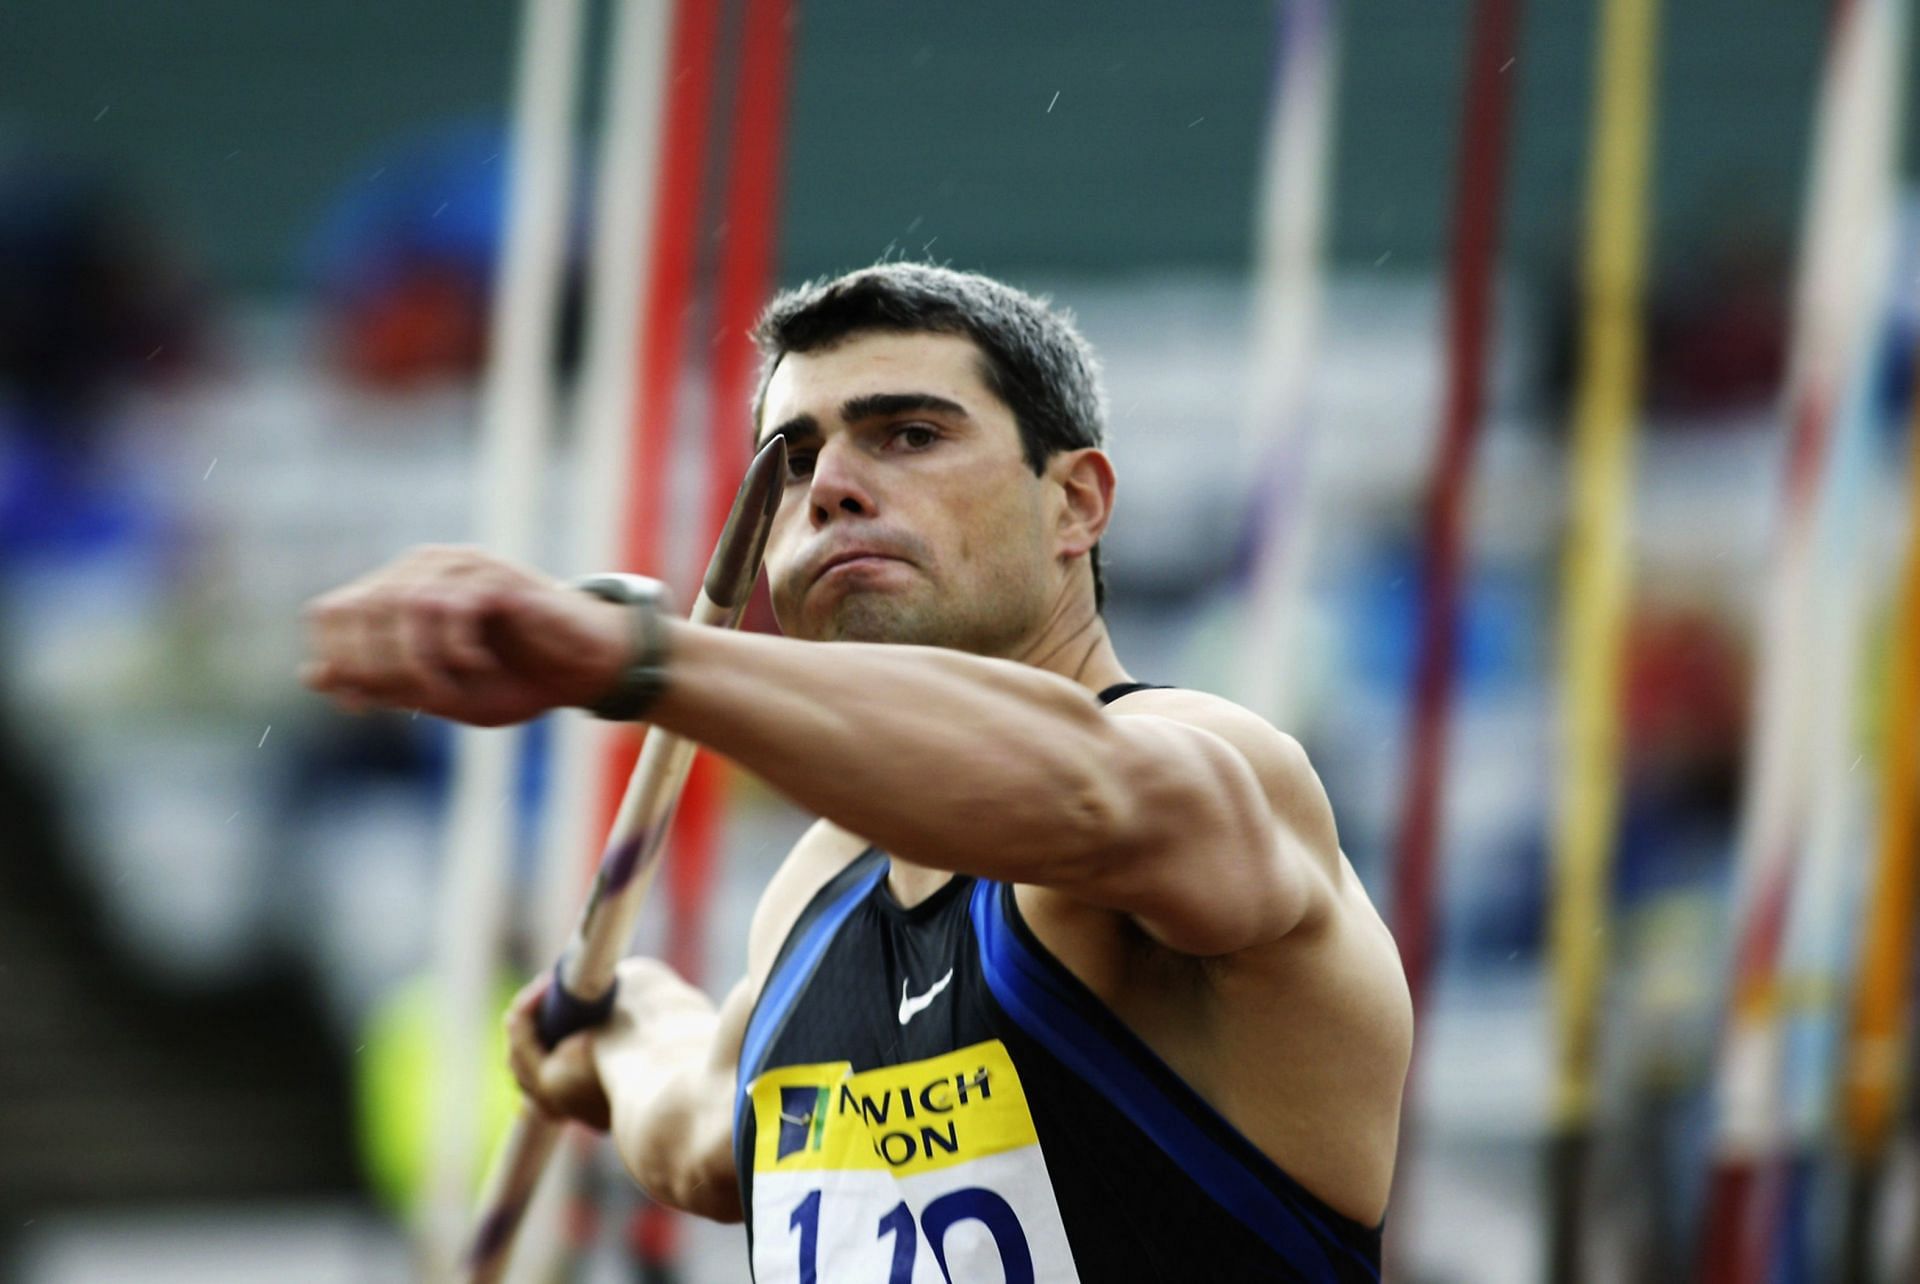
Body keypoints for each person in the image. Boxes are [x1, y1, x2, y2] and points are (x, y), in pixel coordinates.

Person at [302, 263, 1412, 1281]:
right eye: (791, 461)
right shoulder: (815, 893)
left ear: (1075, 502)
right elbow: (702, 1135)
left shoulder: (1212, 776)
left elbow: (1080, 789)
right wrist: (620, 1032)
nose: (829, 483)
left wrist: (631, 655)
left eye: (910, 435)